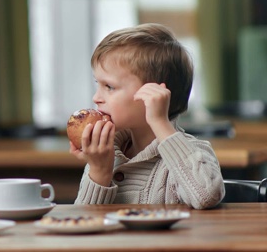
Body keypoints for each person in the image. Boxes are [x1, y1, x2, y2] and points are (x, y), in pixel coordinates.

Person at [70, 23, 224, 209]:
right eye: (98, 83)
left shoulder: (193, 153)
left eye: (109, 87)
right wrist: (99, 171)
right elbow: (84, 224)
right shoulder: (105, 154)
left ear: (153, 94)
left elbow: (207, 196)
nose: (96, 98)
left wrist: (159, 121)